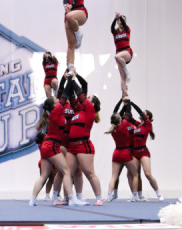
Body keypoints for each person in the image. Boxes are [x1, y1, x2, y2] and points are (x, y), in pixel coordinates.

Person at [29, 76, 86, 207]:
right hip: (52, 145)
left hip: (46, 145)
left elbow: (62, 94)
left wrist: (65, 79)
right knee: (66, 171)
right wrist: (70, 80)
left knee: (44, 176)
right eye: (56, 100)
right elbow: (64, 94)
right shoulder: (55, 112)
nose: (58, 100)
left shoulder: (54, 112)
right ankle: (72, 199)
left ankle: (32, 200)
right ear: (54, 105)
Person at [64, 73, 104, 206]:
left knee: (89, 173)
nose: (86, 98)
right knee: (68, 173)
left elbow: (80, 93)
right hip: (72, 146)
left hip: (83, 145)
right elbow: (71, 96)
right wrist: (68, 80)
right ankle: (73, 198)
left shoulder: (90, 110)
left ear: (93, 103)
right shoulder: (78, 110)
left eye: (89, 98)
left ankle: (99, 197)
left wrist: (73, 78)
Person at [129, 101, 163, 201]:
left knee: (147, 174)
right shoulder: (138, 124)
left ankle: (158, 193)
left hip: (143, 152)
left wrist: (131, 102)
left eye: (143, 113)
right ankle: (136, 195)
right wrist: (127, 105)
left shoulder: (148, 124)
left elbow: (139, 111)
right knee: (135, 174)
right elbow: (130, 118)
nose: (141, 114)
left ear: (147, 116)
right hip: (135, 153)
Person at [105, 105, 140, 202]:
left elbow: (117, 114)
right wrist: (127, 103)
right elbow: (128, 112)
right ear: (120, 120)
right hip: (125, 153)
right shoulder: (124, 125)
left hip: (116, 153)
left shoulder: (112, 129)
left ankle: (109, 195)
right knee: (135, 174)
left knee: (114, 177)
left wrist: (122, 103)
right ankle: (135, 196)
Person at [60, 0, 88, 73]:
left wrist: (71, 5)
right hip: (69, 14)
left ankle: (78, 34)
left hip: (80, 11)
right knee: (71, 45)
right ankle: (71, 67)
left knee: (69, 16)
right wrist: (66, 5)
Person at [111, 13, 132, 97]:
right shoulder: (115, 32)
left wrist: (120, 17)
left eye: (122, 20)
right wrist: (115, 19)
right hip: (119, 52)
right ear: (117, 22)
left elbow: (123, 23)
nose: (121, 22)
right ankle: (124, 94)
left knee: (116, 56)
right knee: (122, 77)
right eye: (119, 21)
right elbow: (111, 27)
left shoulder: (127, 30)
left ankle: (127, 71)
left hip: (127, 52)